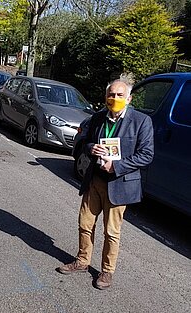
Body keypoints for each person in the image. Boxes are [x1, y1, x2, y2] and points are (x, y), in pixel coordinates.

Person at [57, 78, 154, 290]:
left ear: (129, 98)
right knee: (85, 224)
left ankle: (107, 271)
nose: (115, 99)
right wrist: (91, 148)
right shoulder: (99, 117)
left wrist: (117, 166)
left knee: (111, 232)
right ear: (106, 97)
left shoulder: (141, 121)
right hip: (95, 181)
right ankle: (82, 261)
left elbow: (146, 155)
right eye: (111, 95)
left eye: (120, 95)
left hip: (119, 183)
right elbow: (86, 141)